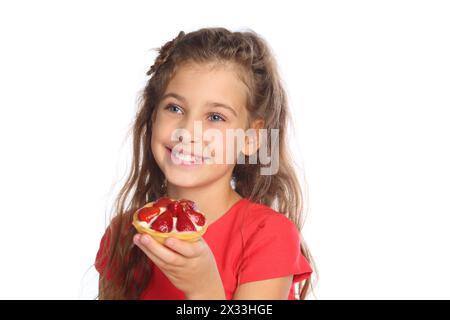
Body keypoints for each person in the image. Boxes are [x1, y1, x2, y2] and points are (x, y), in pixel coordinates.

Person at [95, 27, 315, 300]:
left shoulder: (269, 235)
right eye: (174, 108)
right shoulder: (123, 233)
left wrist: (204, 289)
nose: (188, 131)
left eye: (215, 117)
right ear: (153, 117)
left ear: (251, 138)